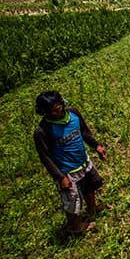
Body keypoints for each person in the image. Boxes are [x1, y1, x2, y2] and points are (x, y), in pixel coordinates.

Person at [33, 91, 109, 234]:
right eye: (53, 112)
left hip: (83, 162)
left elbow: (85, 132)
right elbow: (45, 157)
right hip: (67, 171)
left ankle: (92, 209)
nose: (58, 112)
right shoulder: (43, 131)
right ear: (44, 113)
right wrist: (60, 177)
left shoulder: (73, 113)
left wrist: (97, 146)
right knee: (72, 199)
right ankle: (74, 226)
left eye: (59, 107)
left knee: (90, 186)